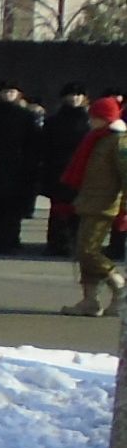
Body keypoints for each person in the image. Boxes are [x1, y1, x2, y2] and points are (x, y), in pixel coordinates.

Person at [53, 94, 126, 317]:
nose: (90, 120)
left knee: (88, 251)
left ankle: (119, 284)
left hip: (105, 205)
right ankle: (90, 300)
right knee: (83, 253)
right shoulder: (96, 138)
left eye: (95, 117)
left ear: (106, 118)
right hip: (88, 201)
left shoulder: (119, 142)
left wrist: (124, 209)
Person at [0, 82, 42, 255]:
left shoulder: (27, 117)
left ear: (18, 94)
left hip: (18, 169)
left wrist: (31, 167)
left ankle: (12, 240)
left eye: (12, 92)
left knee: (13, 208)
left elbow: (33, 145)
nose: (8, 95)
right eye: (5, 92)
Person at [42, 83, 92, 256]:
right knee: (58, 209)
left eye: (78, 95)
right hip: (58, 170)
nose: (74, 98)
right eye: (71, 95)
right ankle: (56, 243)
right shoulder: (54, 121)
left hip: (83, 171)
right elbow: (45, 148)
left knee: (79, 210)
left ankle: (76, 243)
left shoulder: (89, 121)